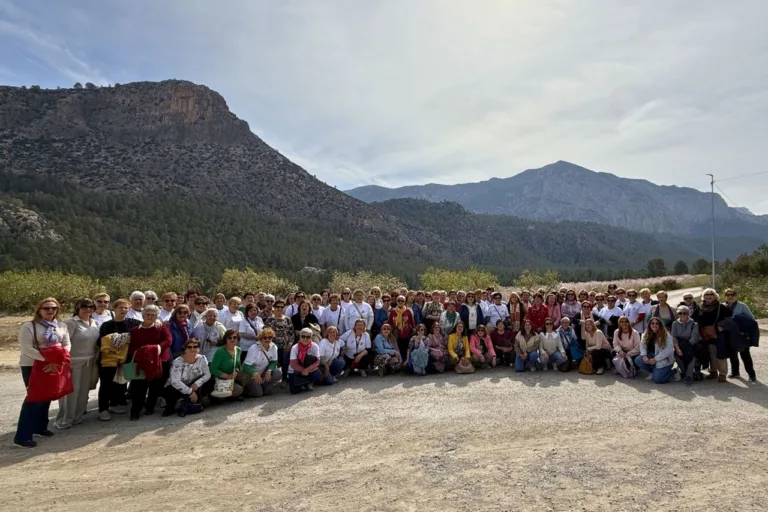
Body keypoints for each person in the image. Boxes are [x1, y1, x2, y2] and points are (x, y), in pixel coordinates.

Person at [14, 297, 71, 448]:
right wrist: (48, 361)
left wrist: (59, 361)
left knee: (48, 395)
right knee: (34, 398)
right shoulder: (29, 326)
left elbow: (66, 343)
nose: (50, 311)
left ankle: (40, 427)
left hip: (55, 364)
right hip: (33, 365)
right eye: (46, 308)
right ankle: (22, 436)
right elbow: (27, 348)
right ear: (39, 310)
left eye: (54, 308)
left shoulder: (61, 325)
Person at [55, 298, 99, 430]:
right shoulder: (71, 323)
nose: (88, 310)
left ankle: (77, 417)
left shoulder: (94, 322)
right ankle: (64, 419)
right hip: (73, 362)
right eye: (84, 307)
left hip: (90, 362)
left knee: (83, 391)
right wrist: (65, 362)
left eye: (91, 307)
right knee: (70, 392)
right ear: (77, 308)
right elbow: (63, 343)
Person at [98, 299, 141, 421]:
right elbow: (103, 342)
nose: (123, 310)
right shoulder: (107, 325)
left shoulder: (134, 323)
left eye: (126, 308)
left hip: (127, 358)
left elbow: (145, 327)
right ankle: (103, 409)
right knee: (106, 383)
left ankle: (117, 403)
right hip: (109, 359)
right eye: (120, 307)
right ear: (114, 309)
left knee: (122, 381)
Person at [127, 305, 172, 420]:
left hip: (159, 360)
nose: (150, 317)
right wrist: (144, 352)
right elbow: (131, 347)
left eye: (153, 315)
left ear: (156, 317)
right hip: (142, 362)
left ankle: (150, 407)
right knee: (139, 387)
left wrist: (156, 348)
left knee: (155, 386)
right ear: (143, 315)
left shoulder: (161, 328)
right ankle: (135, 410)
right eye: (147, 314)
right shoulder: (135, 331)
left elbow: (168, 341)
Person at [162, 337, 213, 417]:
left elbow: (207, 374)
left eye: (195, 347)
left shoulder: (201, 359)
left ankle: (198, 401)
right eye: (189, 347)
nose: (192, 349)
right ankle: (170, 407)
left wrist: (197, 383)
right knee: (171, 390)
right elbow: (175, 381)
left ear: (198, 349)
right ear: (185, 349)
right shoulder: (177, 362)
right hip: (178, 387)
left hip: (194, 385)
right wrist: (190, 392)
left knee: (210, 383)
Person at [697, 288, 732, 382]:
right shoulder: (700, 307)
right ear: (703, 297)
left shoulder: (721, 307)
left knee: (721, 353)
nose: (709, 296)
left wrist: (722, 326)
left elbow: (730, 318)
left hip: (719, 333)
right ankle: (713, 372)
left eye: (711, 294)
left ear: (715, 296)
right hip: (705, 334)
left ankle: (723, 373)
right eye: (706, 294)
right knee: (710, 353)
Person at [724, 288, 757, 381]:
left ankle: (751, 375)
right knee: (732, 355)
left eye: (732, 295)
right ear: (725, 296)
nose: (730, 297)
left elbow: (751, 319)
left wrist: (738, 319)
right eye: (728, 295)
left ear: (736, 296)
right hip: (729, 335)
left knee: (745, 355)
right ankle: (735, 372)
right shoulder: (722, 306)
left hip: (741, 335)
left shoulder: (742, 306)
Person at [242, 328, 282, 397]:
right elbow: (245, 367)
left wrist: (269, 370)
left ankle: (264, 389)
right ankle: (245, 391)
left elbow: (274, 362)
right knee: (258, 394)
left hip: (263, 372)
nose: (267, 339)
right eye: (265, 337)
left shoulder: (274, 347)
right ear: (261, 339)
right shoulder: (253, 348)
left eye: (270, 337)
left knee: (278, 372)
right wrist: (254, 373)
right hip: (251, 375)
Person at [635, 318, 677, 383]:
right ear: (649, 324)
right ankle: (653, 372)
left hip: (664, 359)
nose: (654, 325)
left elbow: (667, 351)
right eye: (652, 323)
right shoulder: (647, 333)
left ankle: (674, 371)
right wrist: (644, 355)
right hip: (651, 355)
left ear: (660, 325)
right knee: (638, 360)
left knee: (658, 380)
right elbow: (642, 345)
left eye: (657, 323)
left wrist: (655, 359)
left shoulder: (666, 336)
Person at [209, 329, 245, 401]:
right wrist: (228, 376)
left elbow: (238, 366)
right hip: (221, 378)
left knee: (246, 376)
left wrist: (236, 372)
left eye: (234, 337)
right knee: (239, 390)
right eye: (229, 337)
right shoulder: (220, 351)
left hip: (233, 376)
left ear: (237, 339)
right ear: (226, 339)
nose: (232, 339)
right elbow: (213, 369)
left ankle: (230, 394)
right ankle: (220, 396)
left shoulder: (238, 350)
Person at [671, 305, 701, 386]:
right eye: (680, 313)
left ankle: (689, 376)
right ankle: (684, 372)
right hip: (679, 343)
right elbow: (673, 336)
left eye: (684, 313)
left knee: (690, 355)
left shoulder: (694, 324)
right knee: (676, 355)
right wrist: (677, 347)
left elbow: (694, 337)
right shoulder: (675, 323)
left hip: (690, 343)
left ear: (688, 314)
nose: (682, 315)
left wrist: (687, 347)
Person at [287, 328, 322, 393]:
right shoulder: (295, 347)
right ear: (299, 337)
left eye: (308, 337)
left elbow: (317, 361)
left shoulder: (315, 346)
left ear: (311, 338)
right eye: (303, 336)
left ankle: (308, 383)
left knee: (317, 373)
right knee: (294, 391)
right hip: (295, 371)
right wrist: (304, 370)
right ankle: (302, 384)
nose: (305, 339)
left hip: (308, 370)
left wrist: (307, 370)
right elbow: (293, 364)